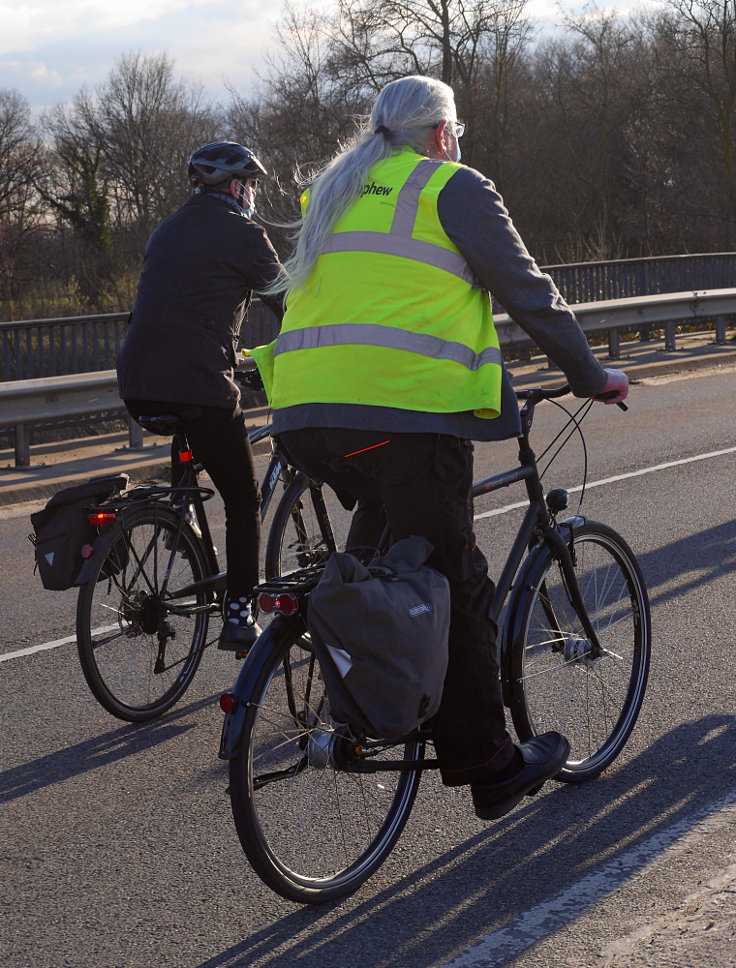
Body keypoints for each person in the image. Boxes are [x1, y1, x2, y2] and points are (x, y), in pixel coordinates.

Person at [251, 76, 629, 820]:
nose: (457, 143)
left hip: (302, 415)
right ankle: (490, 764)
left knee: (385, 563)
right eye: (456, 132)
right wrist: (590, 374)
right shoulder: (450, 186)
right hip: (403, 412)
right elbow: (528, 291)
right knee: (458, 580)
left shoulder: (333, 190)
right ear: (440, 133)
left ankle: (369, 693)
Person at [117, 141, 284, 652]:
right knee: (241, 500)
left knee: (191, 411)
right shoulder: (245, 234)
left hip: (139, 383)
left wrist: (231, 358)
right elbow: (290, 304)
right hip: (199, 383)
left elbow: (178, 312)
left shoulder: (165, 230)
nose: (252, 193)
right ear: (236, 187)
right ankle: (239, 617)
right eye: (250, 185)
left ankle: (179, 513)